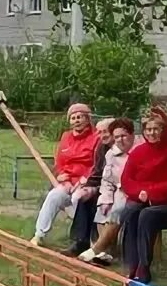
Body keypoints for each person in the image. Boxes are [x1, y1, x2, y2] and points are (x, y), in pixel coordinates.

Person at [119, 107, 167, 284]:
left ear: (164, 130)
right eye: (148, 129)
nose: (151, 133)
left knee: (147, 215)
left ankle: (144, 267)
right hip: (142, 200)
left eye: (155, 129)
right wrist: (140, 193)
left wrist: (150, 193)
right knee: (130, 211)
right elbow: (126, 179)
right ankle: (132, 264)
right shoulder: (138, 152)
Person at [30, 103, 99, 246]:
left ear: (88, 119)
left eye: (80, 117)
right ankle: (39, 235)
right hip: (67, 181)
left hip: (86, 182)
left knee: (76, 200)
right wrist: (63, 178)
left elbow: (96, 163)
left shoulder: (96, 138)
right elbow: (60, 161)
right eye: (73, 118)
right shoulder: (66, 137)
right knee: (53, 196)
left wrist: (82, 181)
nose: (76, 120)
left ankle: (84, 240)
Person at [78, 118, 138, 265]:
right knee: (102, 209)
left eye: (123, 136)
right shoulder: (111, 154)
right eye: (116, 137)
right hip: (116, 190)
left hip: (134, 193)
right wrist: (105, 198)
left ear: (132, 135)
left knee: (117, 210)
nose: (120, 140)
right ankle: (106, 253)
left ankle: (96, 249)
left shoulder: (139, 152)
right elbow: (106, 180)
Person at [63, 117, 114, 256]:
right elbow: (97, 171)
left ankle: (99, 247)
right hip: (103, 186)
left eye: (106, 131)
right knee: (85, 198)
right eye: (100, 132)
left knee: (97, 201)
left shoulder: (121, 147)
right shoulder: (102, 148)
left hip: (118, 189)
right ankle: (81, 241)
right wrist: (89, 186)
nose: (103, 135)